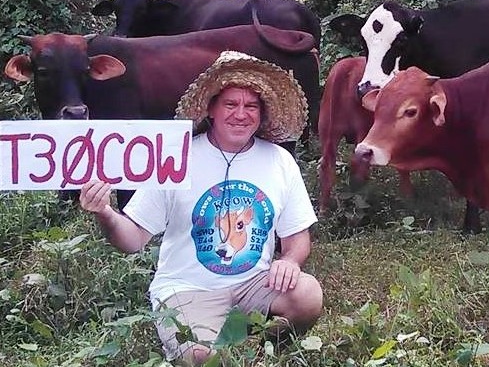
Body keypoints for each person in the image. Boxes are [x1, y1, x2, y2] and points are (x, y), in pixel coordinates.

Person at [79, 51, 323, 365]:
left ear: (262, 113)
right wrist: (105, 212)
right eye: (230, 104)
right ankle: (211, 345)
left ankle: (260, 350)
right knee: (200, 356)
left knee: (307, 294)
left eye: (251, 106)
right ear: (211, 109)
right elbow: (133, 239)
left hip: (253, 285)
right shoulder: (177, 158)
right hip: (187, 290)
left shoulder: (280, 161)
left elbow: (298, 237)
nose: (241, 114)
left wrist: (289, 260)